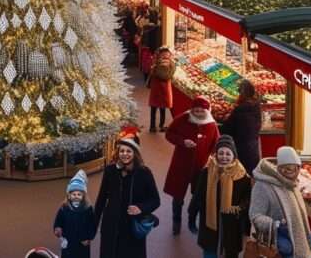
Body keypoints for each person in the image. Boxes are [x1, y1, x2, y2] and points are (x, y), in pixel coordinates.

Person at [95, 127, 161, 258]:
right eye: (122, 151)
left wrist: (140, 208)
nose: (125, 154)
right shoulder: (110, 171)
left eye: (129, 151)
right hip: (111, 226)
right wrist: (92, 229)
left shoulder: (144, 173)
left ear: (135, 153)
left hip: (131, 228)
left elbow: (155, 200)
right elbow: (101, 200)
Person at [187, 135, 251, 258]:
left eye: (228, 154)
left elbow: (247, 198)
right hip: (209, 222)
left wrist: (240, 208)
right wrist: (192, 214)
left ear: (234, 155)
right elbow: (198, 195)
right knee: (210, 251)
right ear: (216, 154)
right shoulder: (206, 172)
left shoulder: (242, 175)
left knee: (230, 252)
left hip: (232, 222)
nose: (224, 157)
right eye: (221, 153)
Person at [164, 96, 220, 235]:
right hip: (181, 164)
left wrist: (213, 157)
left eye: (202, 111)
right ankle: (176, 221)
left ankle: (193, 221)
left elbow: (216, 142)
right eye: (196, 111)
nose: (199, 114)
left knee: (198, 195)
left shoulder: (211, 124)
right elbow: (169, 134)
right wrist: (182, 141)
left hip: (200, 166)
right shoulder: (182, 119)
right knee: (178, 195)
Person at [250, 147, 311, 258]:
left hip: (298, 239)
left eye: (296, 169)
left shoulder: (292, 184)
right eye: (288, 169)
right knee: (287, 248)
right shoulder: (263, 185)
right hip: (277, 245)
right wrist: (275, 224)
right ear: (280, 168)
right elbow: (255, 216)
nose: (295, 173)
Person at [220, 79, 262, 174]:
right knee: (250, 173)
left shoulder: (240, 109)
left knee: (240, 175)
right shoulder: (256, 106)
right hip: (253, 148)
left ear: (242, 93)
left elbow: (227, 128)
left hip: (241, 149)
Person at [53, 170, 96, 258]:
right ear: (69, 195)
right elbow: (58, 221)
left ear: (83, 196)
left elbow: (92, 224)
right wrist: (57, 228)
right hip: (68, 241)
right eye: (73, 194)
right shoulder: (64, 208)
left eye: (79, 194)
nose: (76, 196)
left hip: (82, 242)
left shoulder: (88, 209)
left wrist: (88, 237)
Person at [147, 48, 174, 133]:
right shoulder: (167, 64)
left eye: (167, 54)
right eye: (164, 54)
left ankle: (156, 126)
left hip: (160, 88)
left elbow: (155, 73)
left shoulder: (156, 63)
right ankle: (157, 126)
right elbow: (167, 75)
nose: (165, 55)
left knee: (158, 108)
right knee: (159, 108)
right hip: (160, 88)